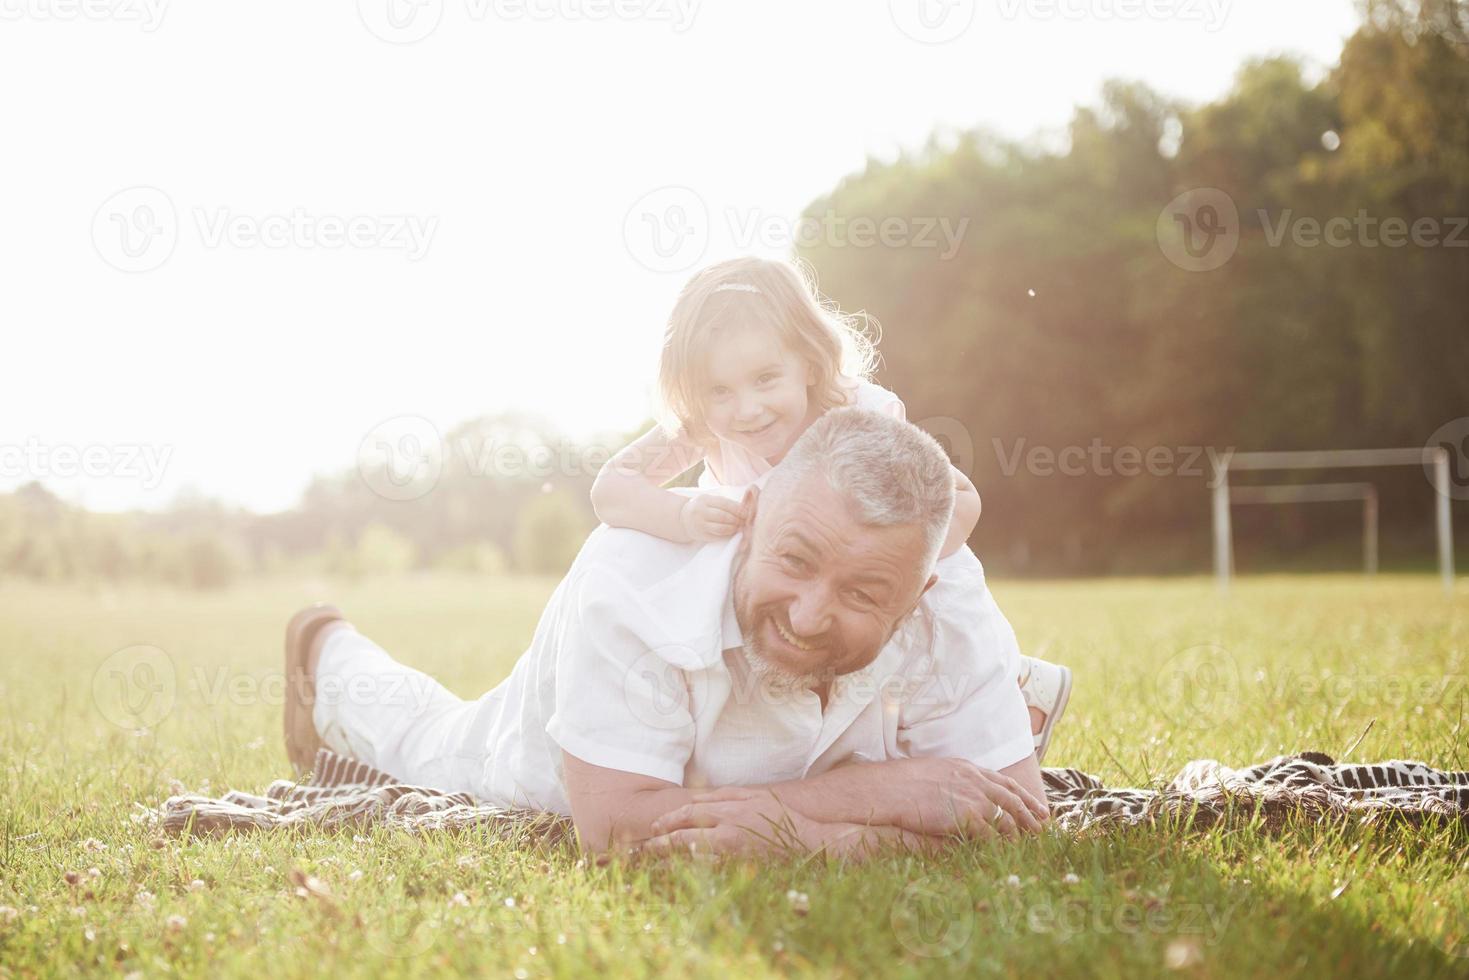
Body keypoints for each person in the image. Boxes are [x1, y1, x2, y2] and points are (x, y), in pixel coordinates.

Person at [284, 409, 1049, 857]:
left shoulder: (950, 599)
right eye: (794, 559)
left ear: (918, 591)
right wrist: (874, 797)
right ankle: (326, 653)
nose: (810, 615)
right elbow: (619, 827)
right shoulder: (630, 581)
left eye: (861, 593)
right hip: (550, 771)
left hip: (733, 765)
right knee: (424, 740)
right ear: (750, 514)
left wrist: (789, 827)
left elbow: (1017, 820)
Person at [591, 256, 1071, 761]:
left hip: (865, 577)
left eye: (766, 379)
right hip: (775, 587)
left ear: (810, 361)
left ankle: (1012, 693)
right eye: (719, 390)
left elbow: (961, 499)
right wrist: (681, 516)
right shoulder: (704, 425)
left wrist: (899, 575)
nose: (747, 408)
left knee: (949, 587)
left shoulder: (858, 412)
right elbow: (611, 488)